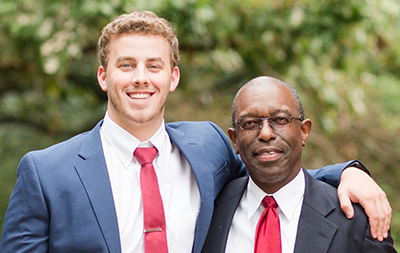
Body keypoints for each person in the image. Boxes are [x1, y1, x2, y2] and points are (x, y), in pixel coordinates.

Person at [0, 11, 391, 253]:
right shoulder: (45, 173)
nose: (140, 78)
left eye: (154, 66)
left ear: (173, 77)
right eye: (126, 65)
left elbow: (272, 173)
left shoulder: (208, 147)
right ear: (103, 76)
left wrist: (345, 173)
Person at [201, 76, 396, 253]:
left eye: (280, 119)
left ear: (304, 131)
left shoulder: (358, 223)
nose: (266, 133)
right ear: (234, 139)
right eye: (250, 123)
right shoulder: (207, 213)